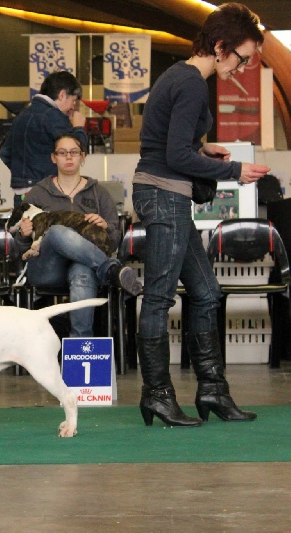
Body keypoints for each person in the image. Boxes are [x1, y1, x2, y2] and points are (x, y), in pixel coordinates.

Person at [131, 2, 269, 428]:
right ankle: (157, 395)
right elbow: (173, 155)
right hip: (164, 194)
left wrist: (202, 148)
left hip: (164, 193)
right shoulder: (192, 83)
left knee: (207, 292)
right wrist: (234, 171)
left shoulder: (179, 75)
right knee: (159, 297)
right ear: (221, 45)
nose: (242, 68)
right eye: (242, 58)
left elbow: (164, 142)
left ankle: (212, 390)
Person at [13, 134, 142, 337]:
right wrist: (23, 234)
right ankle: (111, 270)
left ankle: (80, 345)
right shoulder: (38, 193)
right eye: (62, 153)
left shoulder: (99, 193)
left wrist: (106, 226)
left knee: (82, 271)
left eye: (74, 152)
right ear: (53, 157)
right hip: (46, 269)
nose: (68, 157)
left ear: (83, 157)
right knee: (56, 232)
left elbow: (114, 241)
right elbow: (19, 249)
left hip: (86, 266)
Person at [0, 71, 88, 207]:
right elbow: (76, 151)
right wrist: (79, 128)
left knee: (26, 222)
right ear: (62, 94)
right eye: (73, 100)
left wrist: (24, 174)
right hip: (46, 193)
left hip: (21, 194)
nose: (72, 107)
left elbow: (5, 153)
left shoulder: (21, 116)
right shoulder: (54, 116)